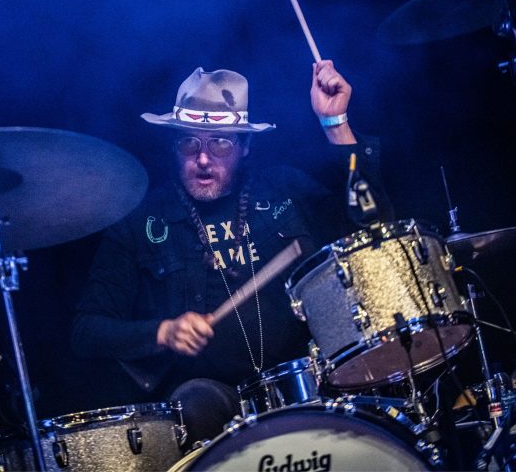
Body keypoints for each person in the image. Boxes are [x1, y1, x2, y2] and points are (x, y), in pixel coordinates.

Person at [71, 60, 391, 445]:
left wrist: (335, 122)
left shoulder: (285, 190)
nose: (203, 158)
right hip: (211, 404)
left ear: (245, 146)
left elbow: (374, 227)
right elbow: (87, 331)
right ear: (174, 146)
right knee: (194, 404)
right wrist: (162, 332)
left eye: (220, 142)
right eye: (190, 142)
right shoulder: (140, 221)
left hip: (308, 379)